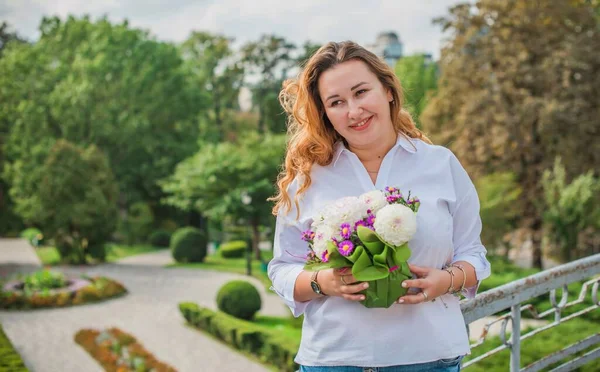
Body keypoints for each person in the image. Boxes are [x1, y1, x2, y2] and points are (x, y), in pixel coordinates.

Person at [268, 41, 491, 372]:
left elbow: (473, 253)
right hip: (333, 361)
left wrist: (445, 282)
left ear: (387, 90)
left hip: (428, 360)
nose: (353, 111)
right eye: (336, 102)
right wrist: (322, 282)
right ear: (325, 112)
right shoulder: (308, 179)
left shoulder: (440, 164)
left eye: (361, 92)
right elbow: (282, 268)